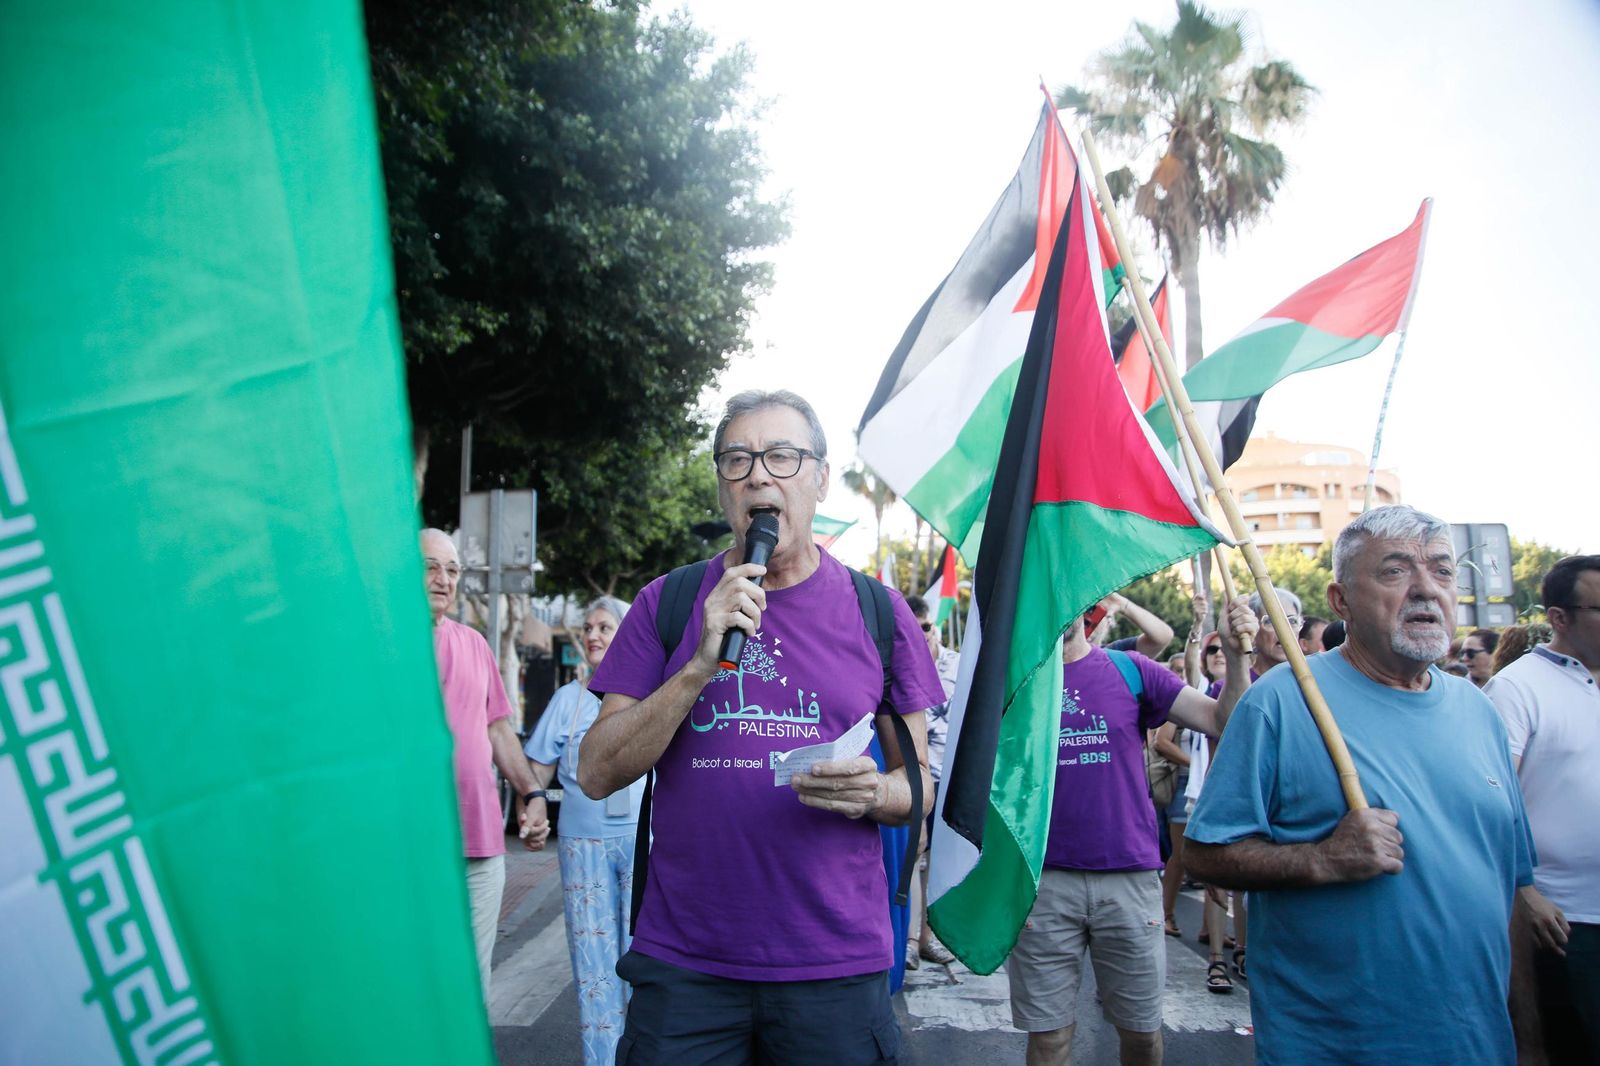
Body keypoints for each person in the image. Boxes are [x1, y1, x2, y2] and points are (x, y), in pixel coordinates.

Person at [577, 390, 943, 1065]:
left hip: (832, 967)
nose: (758, 475)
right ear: (722, 487)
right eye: (738, 459)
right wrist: (694, 669)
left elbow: (917, 783)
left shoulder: (880, 612)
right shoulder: (669, 602)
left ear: (819, 477)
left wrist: (876, 793)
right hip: (686, 964)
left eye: (781, 456)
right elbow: (596, 770)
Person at [1184, 505, 1536, 1064]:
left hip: (1477, 1041)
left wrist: (1528, 1034)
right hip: (1337, 1045)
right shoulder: (1281, 702)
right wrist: (1322, 859)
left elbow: (1509, 886)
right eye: (1396, 571)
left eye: (1442, 571)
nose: (1426, 589)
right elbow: (1204, 854)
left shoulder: (1479, 711)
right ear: (1340, 600)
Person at [1005, 597, 1259, 1066]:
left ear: (1088, 608)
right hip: (1040, 884)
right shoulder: (1011, 679)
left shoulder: (1132, 669)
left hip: (1128, 879)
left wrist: (1239, 658)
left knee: (1141, 1035)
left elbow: (1222, 720)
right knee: (1048, 1039)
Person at [1484, 555, 1600, 1062]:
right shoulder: (1516, 688)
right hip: (1565, 922)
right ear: (1559, 617)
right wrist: (1524, 888)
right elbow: (1491, 799)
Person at [519, 596, 644, 1066]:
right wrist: (530, 806)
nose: (593, 635)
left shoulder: (651, 695)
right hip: (582, 846)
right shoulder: (567, 700)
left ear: (626, 635)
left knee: (644, 964)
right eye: (588, 628)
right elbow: (535, 768)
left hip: (641, 844)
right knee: (594, 970)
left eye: (605, 627)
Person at [422, 528, 542, 1002]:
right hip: (411, 846)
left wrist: (532, 793)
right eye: (430, 566)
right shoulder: (381, 646)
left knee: (470, 988)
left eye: (452, 570)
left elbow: (498, 730)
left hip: (481, 845)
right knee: (415, 984)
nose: (443, 579)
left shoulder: (474, 644)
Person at [902, 594, 957, 971]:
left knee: (941, 861)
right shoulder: (898, 660)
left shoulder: (957, 664)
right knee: (914, 857)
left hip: (951, 777)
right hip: (914, 776)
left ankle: (929, 938)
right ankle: (908, 941)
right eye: (914, 628)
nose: (921, 635)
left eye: (926, 628)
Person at [1096, 591, 1176, 659]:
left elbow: (1164, 636)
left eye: (1094, 612)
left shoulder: (1114, 654)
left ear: (1109, 622)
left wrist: (1122, 604)